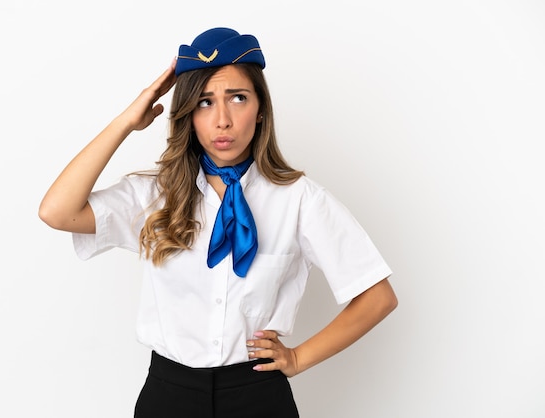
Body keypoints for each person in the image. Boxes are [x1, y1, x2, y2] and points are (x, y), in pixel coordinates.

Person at [39, 27, 398, 418]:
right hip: (168, 397)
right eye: (205, 103)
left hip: (258, 396)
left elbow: (377, 297)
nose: (222, 120)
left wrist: (297, 358)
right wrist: (128, 119)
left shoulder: (300, 199)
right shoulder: (155, 195)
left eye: (237, 98)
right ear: (188, 115)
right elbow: (57, 212)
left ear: (261, 109)